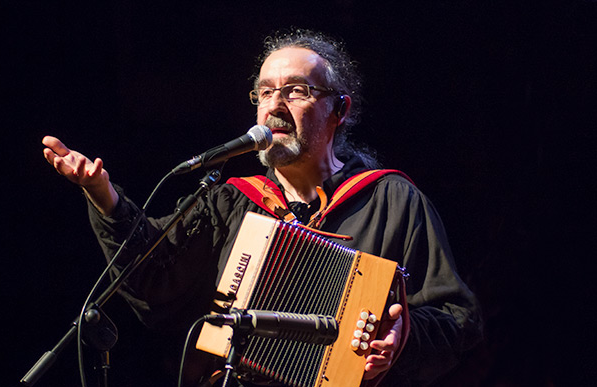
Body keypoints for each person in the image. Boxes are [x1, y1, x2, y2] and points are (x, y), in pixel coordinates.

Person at [43, 29, 482, 386]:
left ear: (339, 109)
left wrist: (402, 336)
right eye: (265, 92)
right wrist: (102, 192)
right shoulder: (230, 199)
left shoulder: (392, 199)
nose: (274, 104)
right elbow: (155, 273)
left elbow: (455, 319)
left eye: (296, 91)